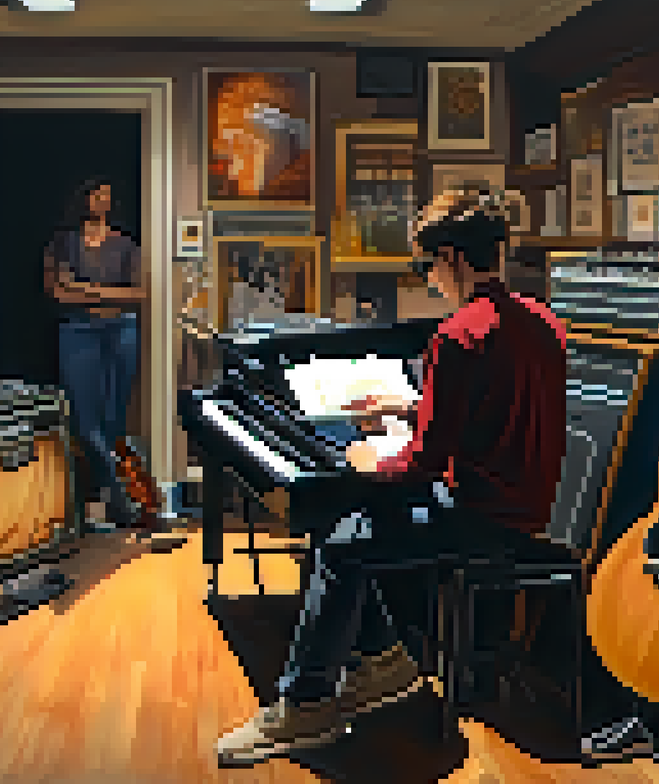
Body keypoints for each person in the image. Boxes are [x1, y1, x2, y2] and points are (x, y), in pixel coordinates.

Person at [215, 189, 568, 766]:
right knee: (363, 523)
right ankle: (382, 660)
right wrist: (412, 411)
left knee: (340, 538)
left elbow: (422, 467)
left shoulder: (458, 335)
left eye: (430, 267)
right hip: (527, 509)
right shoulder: (543, 324)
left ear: (452, 257)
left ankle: (305, 707)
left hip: (479, 517)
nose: (432, 280)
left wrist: (371, 460)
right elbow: (495, 413)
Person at [43, 178, 159, 529]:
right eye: (96, 193)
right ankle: (124, 496)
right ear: (83, 197)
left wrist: (82, 287)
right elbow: (57, 294)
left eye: (108, 194)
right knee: (85, 422)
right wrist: (107, 294)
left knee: (114, 420)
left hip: (121, 329)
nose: (102, 200)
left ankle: (115, 501)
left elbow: (139, 295)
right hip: (78, 331)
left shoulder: (125, 245)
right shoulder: (62, 243)